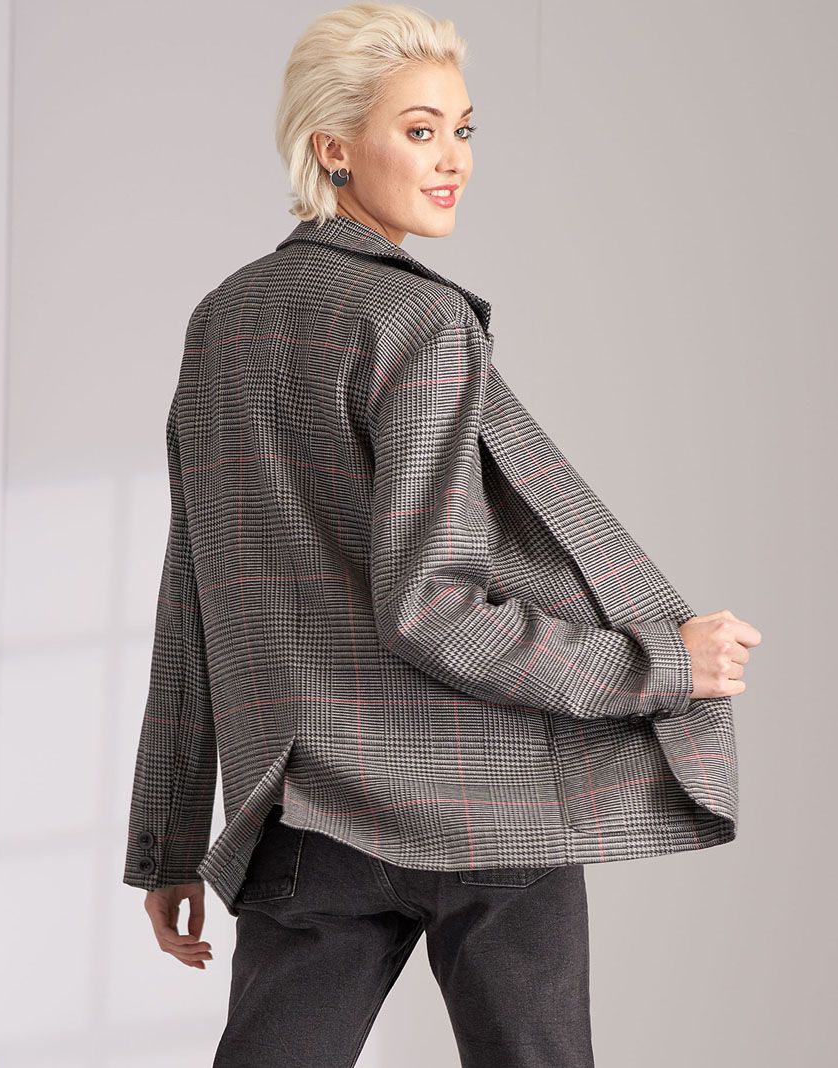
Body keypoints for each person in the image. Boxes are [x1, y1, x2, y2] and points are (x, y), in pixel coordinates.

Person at [122, 4, 761, 1065]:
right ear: (333, 147)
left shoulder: (221, 320)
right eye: (419, 131)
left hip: (303, 815)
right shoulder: (418, 320)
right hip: (490, 812)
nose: (453, 158)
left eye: (463, 130)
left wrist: (168, 841)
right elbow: (432, 607)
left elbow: (193, 594)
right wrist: (661, 666)